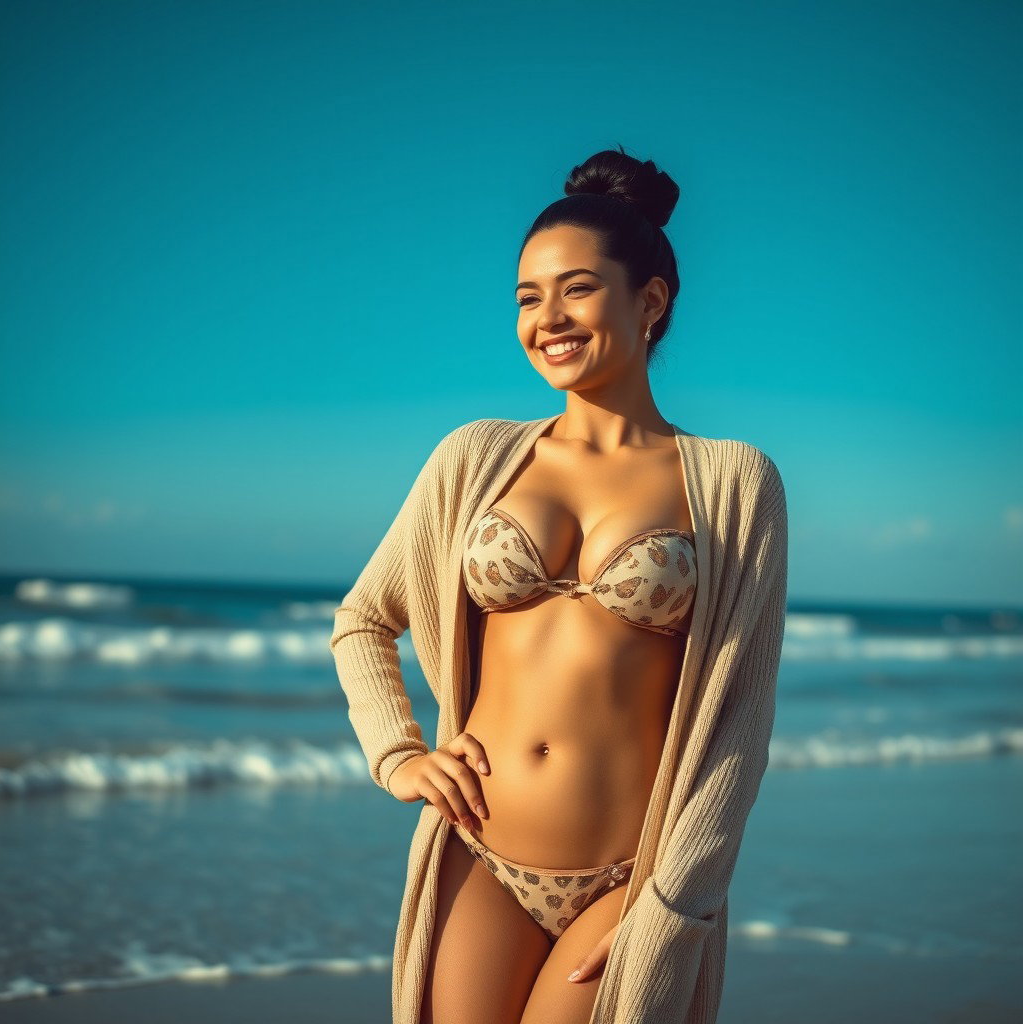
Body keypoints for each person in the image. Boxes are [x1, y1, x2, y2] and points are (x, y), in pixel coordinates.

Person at [330, 145, 789, 1024]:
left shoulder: (734, 482)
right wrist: (398, 754)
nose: (549, 317)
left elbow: (743, 718)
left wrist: (675, 895)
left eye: (576, 288)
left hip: (630, 877)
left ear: (648, 301)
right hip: (478, 856)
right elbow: (363, 619)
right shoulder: (474, 459)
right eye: (527, 297)